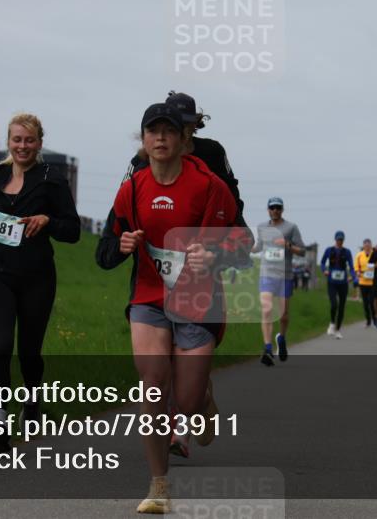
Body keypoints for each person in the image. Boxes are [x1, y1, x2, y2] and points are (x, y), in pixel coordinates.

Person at [95, 103, 250, 514]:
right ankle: (158, 485)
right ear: (143, 140)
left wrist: (213, 254)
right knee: (152, 387)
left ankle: (202, 401)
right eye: (152, 131)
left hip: (197, 298)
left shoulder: (209, 185)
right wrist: (123, 244)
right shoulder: (132, 187)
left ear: (184, 139)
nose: (160, 138)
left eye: (168, 131)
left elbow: (243, 242)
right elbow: (106, 249)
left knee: (187, 399)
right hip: (149, 297)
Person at [0, 113, 80, 452]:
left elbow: (72, 230)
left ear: (39, 143)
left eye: (29, 140)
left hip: (36, 276)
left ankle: (32, 400)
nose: (22, 146)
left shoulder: (51, 179)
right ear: (8, 141)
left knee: (28, 352)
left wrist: (47, 219)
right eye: (16, 140)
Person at [118, 91, 253, 259]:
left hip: (204, 237)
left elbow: (231, 193)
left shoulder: (212, 152)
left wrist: (227, 234)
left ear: (195, 123)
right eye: (177, 123)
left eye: (188, 123)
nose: (183, 128)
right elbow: (123, 203)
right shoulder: (143, 159)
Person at [254, 197, 305, 365]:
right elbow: (259, 247)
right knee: (267, 309)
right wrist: (245, 246)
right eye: (272, 207)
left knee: (283, 315)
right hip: (267, 274)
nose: (275, 210)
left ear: (282, 209)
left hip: (285, 275)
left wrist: (288, 245)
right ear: (268, 209)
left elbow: (302, 251)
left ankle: (281, 339)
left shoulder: (291, 227)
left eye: (278, 207)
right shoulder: (262, 227)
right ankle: (267, 348)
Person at [320, 231, 357, 339]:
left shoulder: (347, 252)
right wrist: (324, 271)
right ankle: (332, 323)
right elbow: (322, 263)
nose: (340, 241)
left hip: (343, 283)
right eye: (338, 239)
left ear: (343, 240)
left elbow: (351, 266)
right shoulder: (329, 250)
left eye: (341, 240)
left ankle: (338, 330)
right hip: (332, 282)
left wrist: (353, 276)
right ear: (335, 239)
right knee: (334, 304)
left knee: (341, 306)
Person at [354, 239, 376, 327]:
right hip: (363, 281)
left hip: (372, 282)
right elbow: (356, 266)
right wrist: (357, 272)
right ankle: (368, 319)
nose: (367, 247)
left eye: (368, 245)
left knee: (371, 302)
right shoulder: (359, 255)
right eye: (365, 245)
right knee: (365, 302)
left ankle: (374, 319)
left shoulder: (375, 254)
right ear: (363, 246)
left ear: (371, 246)